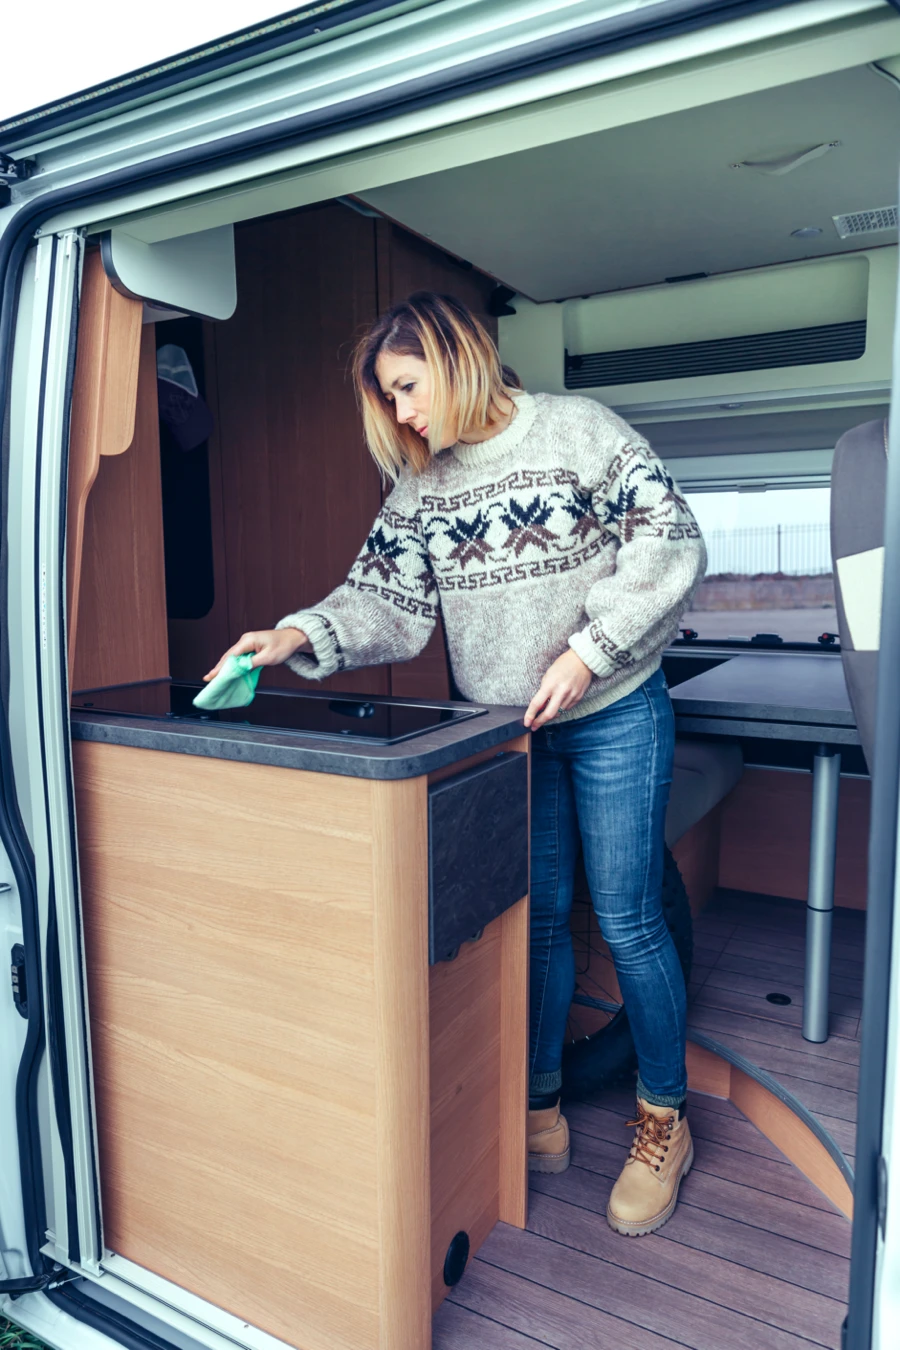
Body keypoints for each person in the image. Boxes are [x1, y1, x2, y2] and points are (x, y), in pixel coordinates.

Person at [205, 291, 707, 1237]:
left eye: (406, 388)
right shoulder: (424, 490)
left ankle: (663, 1118)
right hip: (511, 731)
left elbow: (670, 541)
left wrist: (588, 651)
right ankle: (540, 1101)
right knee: (542, 925)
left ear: (456, 356)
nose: (401, 416)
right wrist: (294, 634)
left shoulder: (579, 430)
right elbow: (381, 601)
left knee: (633, 921)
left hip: (612, 712)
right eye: (388, 400)